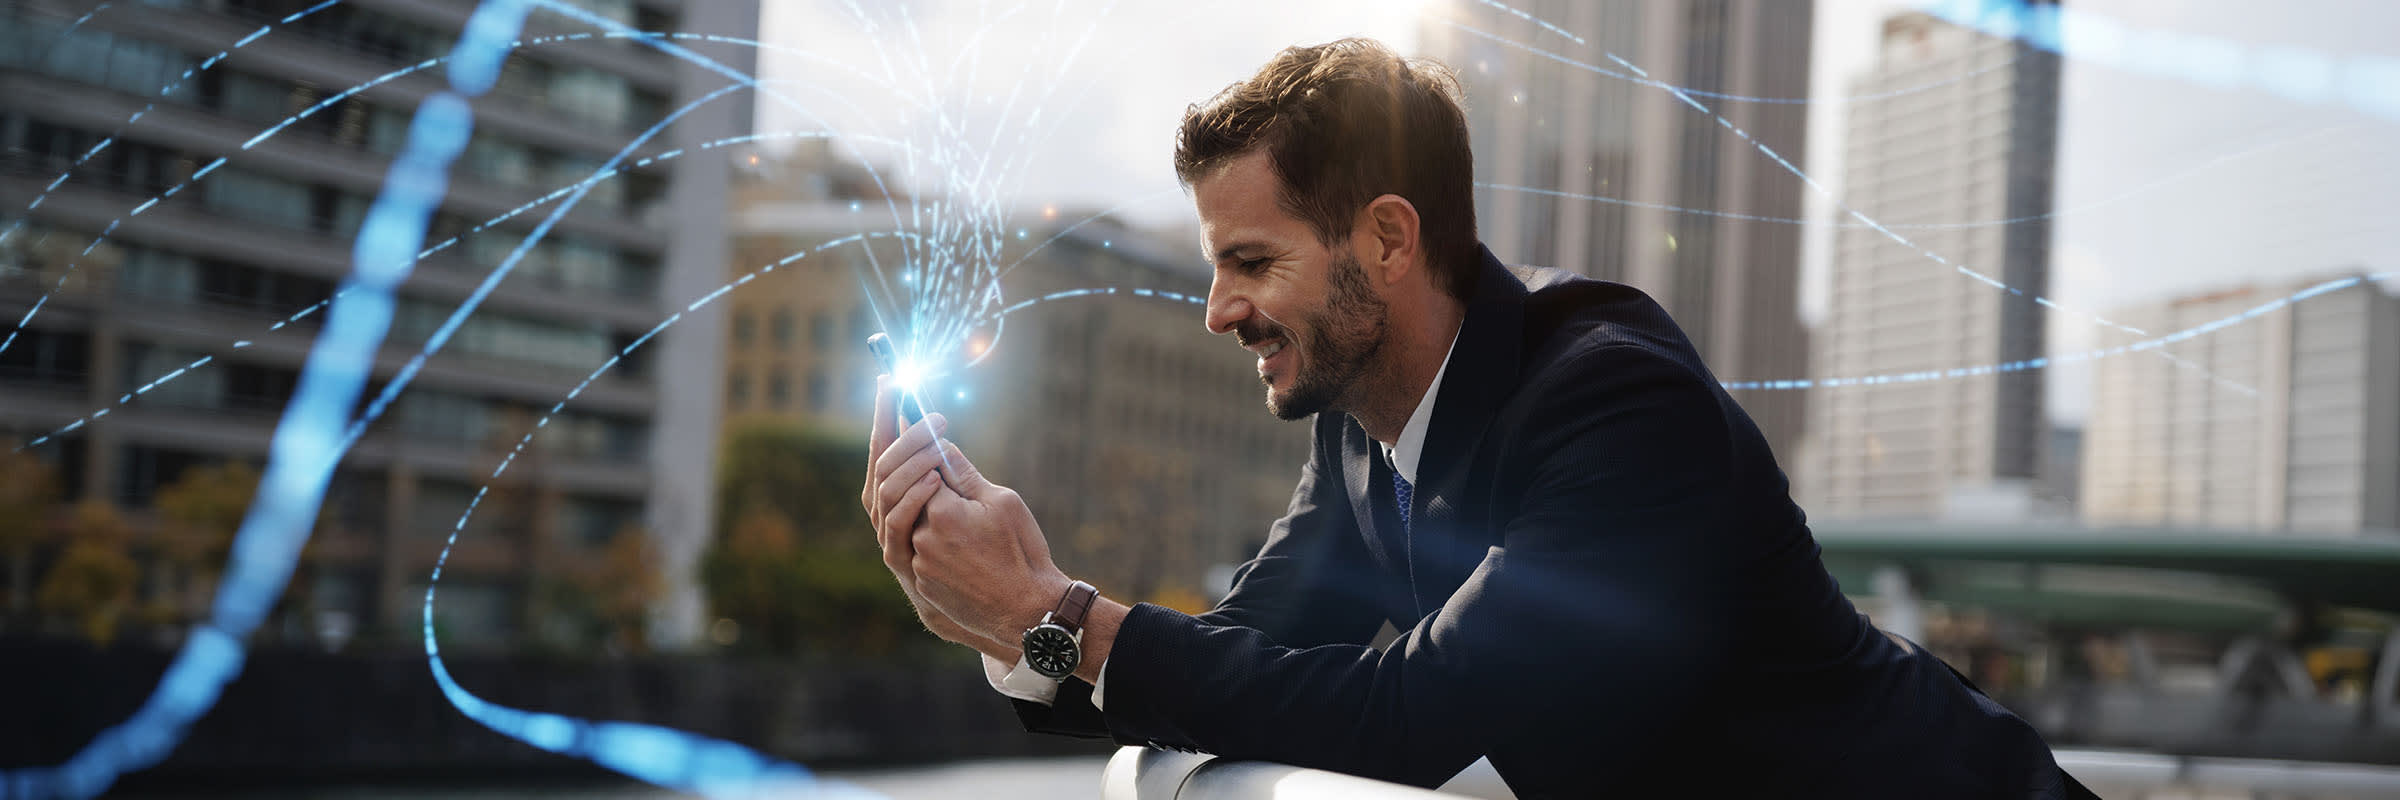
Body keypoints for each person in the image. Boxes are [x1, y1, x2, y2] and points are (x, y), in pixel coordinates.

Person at [864, 37, 2077, 798]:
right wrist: (1009, 615)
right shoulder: (1356, 428)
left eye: (1251, 261)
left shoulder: (1618, 402)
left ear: (1388, 239)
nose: (1219, 310)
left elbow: (1422, 716)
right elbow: (1235, 666)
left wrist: (1058, 612)